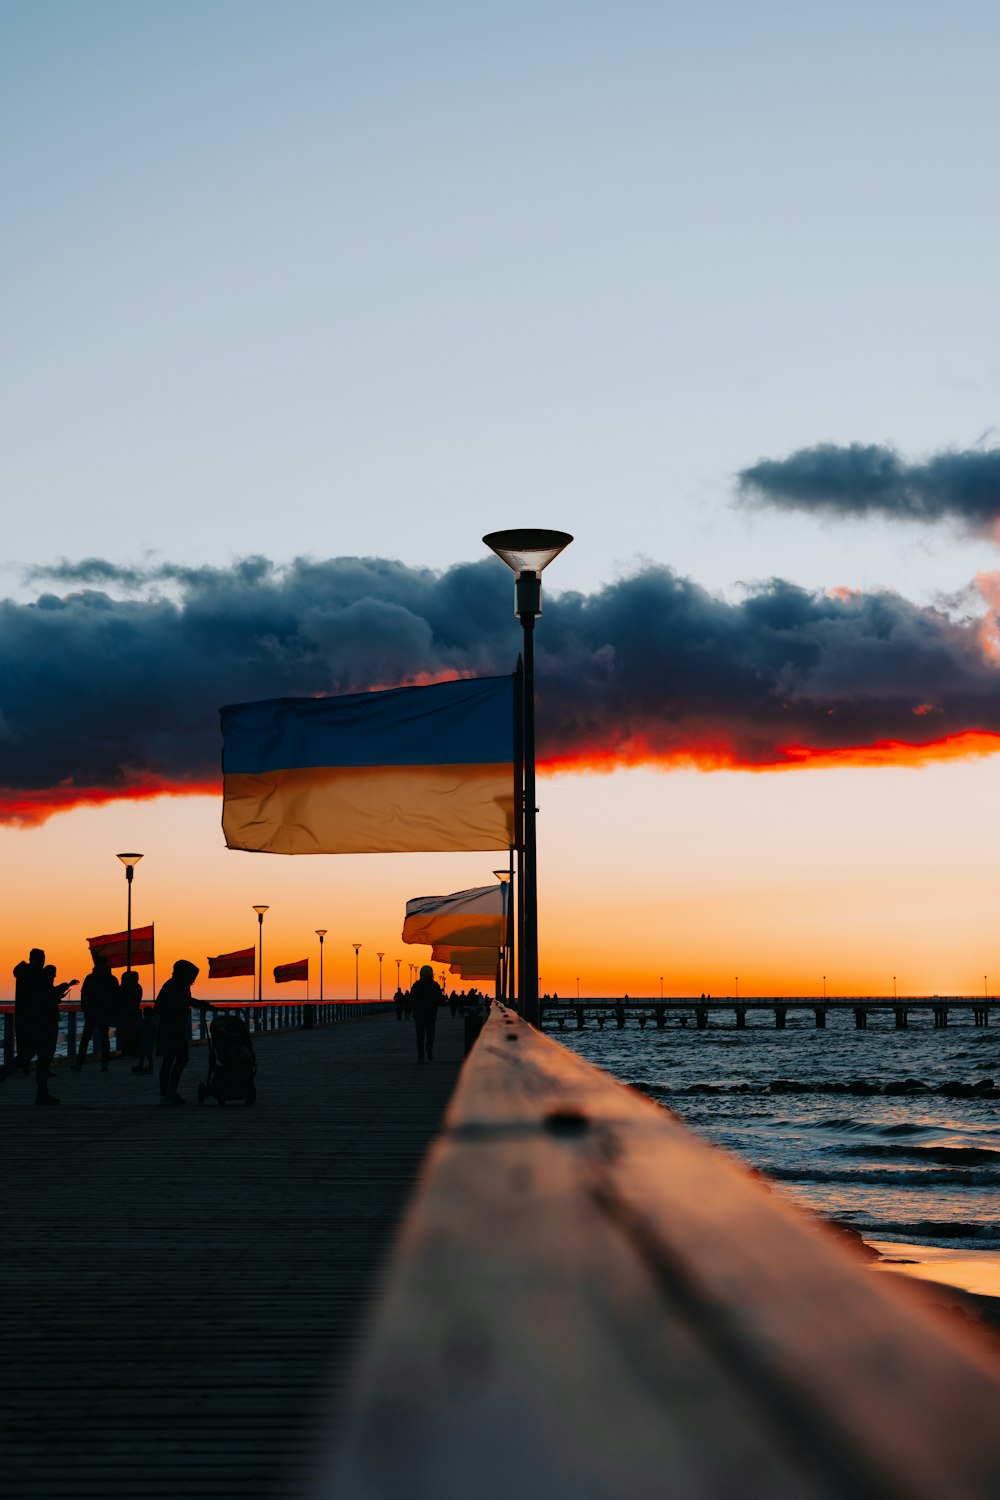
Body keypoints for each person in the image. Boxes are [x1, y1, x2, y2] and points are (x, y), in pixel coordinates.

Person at [0, 949, 77, 1104]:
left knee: (24, 1056)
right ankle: (41, 1094)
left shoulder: (23, 975)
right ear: (41, 959)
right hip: (42, 1022)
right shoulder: (40, 976)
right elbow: (46, 996)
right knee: (43, 1058)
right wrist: (62, 987)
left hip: (25, 1021)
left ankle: (41, 1093)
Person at [154, 959, 210, 1105]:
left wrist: (200, 1004)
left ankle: (168, 1091)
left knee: (172, 1060)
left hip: (175, 1027)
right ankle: (169, 1092)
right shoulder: (174, 986)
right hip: (171, 1028)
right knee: (175, 1059)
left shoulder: (177, 985)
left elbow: (186, 1000)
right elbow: (161, 1006)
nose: (192, 980)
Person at [71, 954, 119, 1072]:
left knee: (87, 1038)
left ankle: (80, 1062)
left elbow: (84, 993)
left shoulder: (91, 978)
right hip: (101, 1011)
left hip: (95, 1011)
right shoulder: (111, 979)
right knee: (101, 1038)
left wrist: (84, 1005)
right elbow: (116, 996)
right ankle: (104, 1063)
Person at [410, 964, 443, 1063]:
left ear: (421, 974)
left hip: (419, 1014)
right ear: (431, 975)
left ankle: (421, 1056)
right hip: (431, 1014)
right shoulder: (435, 986)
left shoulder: (416, 985)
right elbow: (439, 1000)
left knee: (420, 1036)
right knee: (430, 1034)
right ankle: (429, 1046)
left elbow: (411, 999)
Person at [116, 969, 143, 1056]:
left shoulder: (127, 988)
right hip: (133, 1013)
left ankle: (127, 1050)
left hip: (127, 1014)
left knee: (128, 1032)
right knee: (132, 1032)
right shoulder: (137, 987)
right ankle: (131, 1050)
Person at [132, 1007, 156, 1074]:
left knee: (142, 1056)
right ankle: (151, 1068)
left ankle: (140, 1066)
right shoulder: (153, 1022)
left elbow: (137, 1030)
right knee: (149, 1056)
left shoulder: (142, 1022)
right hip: (150, 1042)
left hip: (143, 1042)